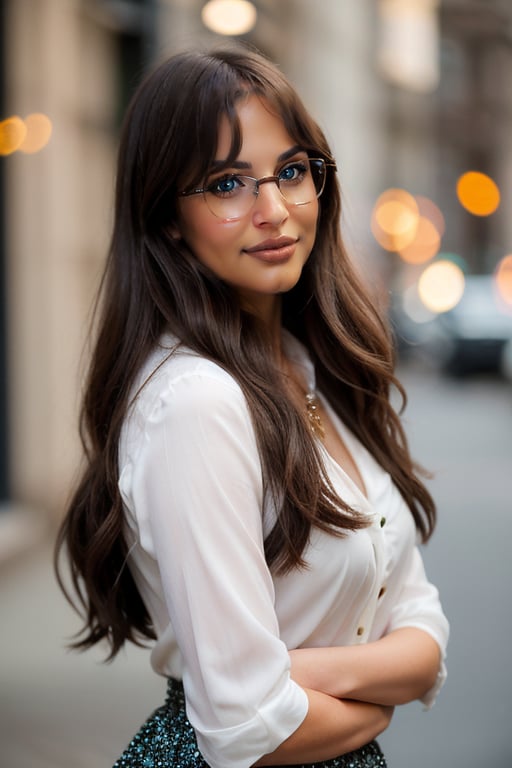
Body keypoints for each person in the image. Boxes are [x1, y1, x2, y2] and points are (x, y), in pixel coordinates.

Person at [55, 44, 449, 768]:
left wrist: (306, 676)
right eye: (228, 183)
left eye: (292, 171)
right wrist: (378, 697)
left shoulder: (305, 365)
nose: (275, 211)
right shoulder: (196, 403)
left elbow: (422, 627)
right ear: (168, 217)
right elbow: (247, 726)